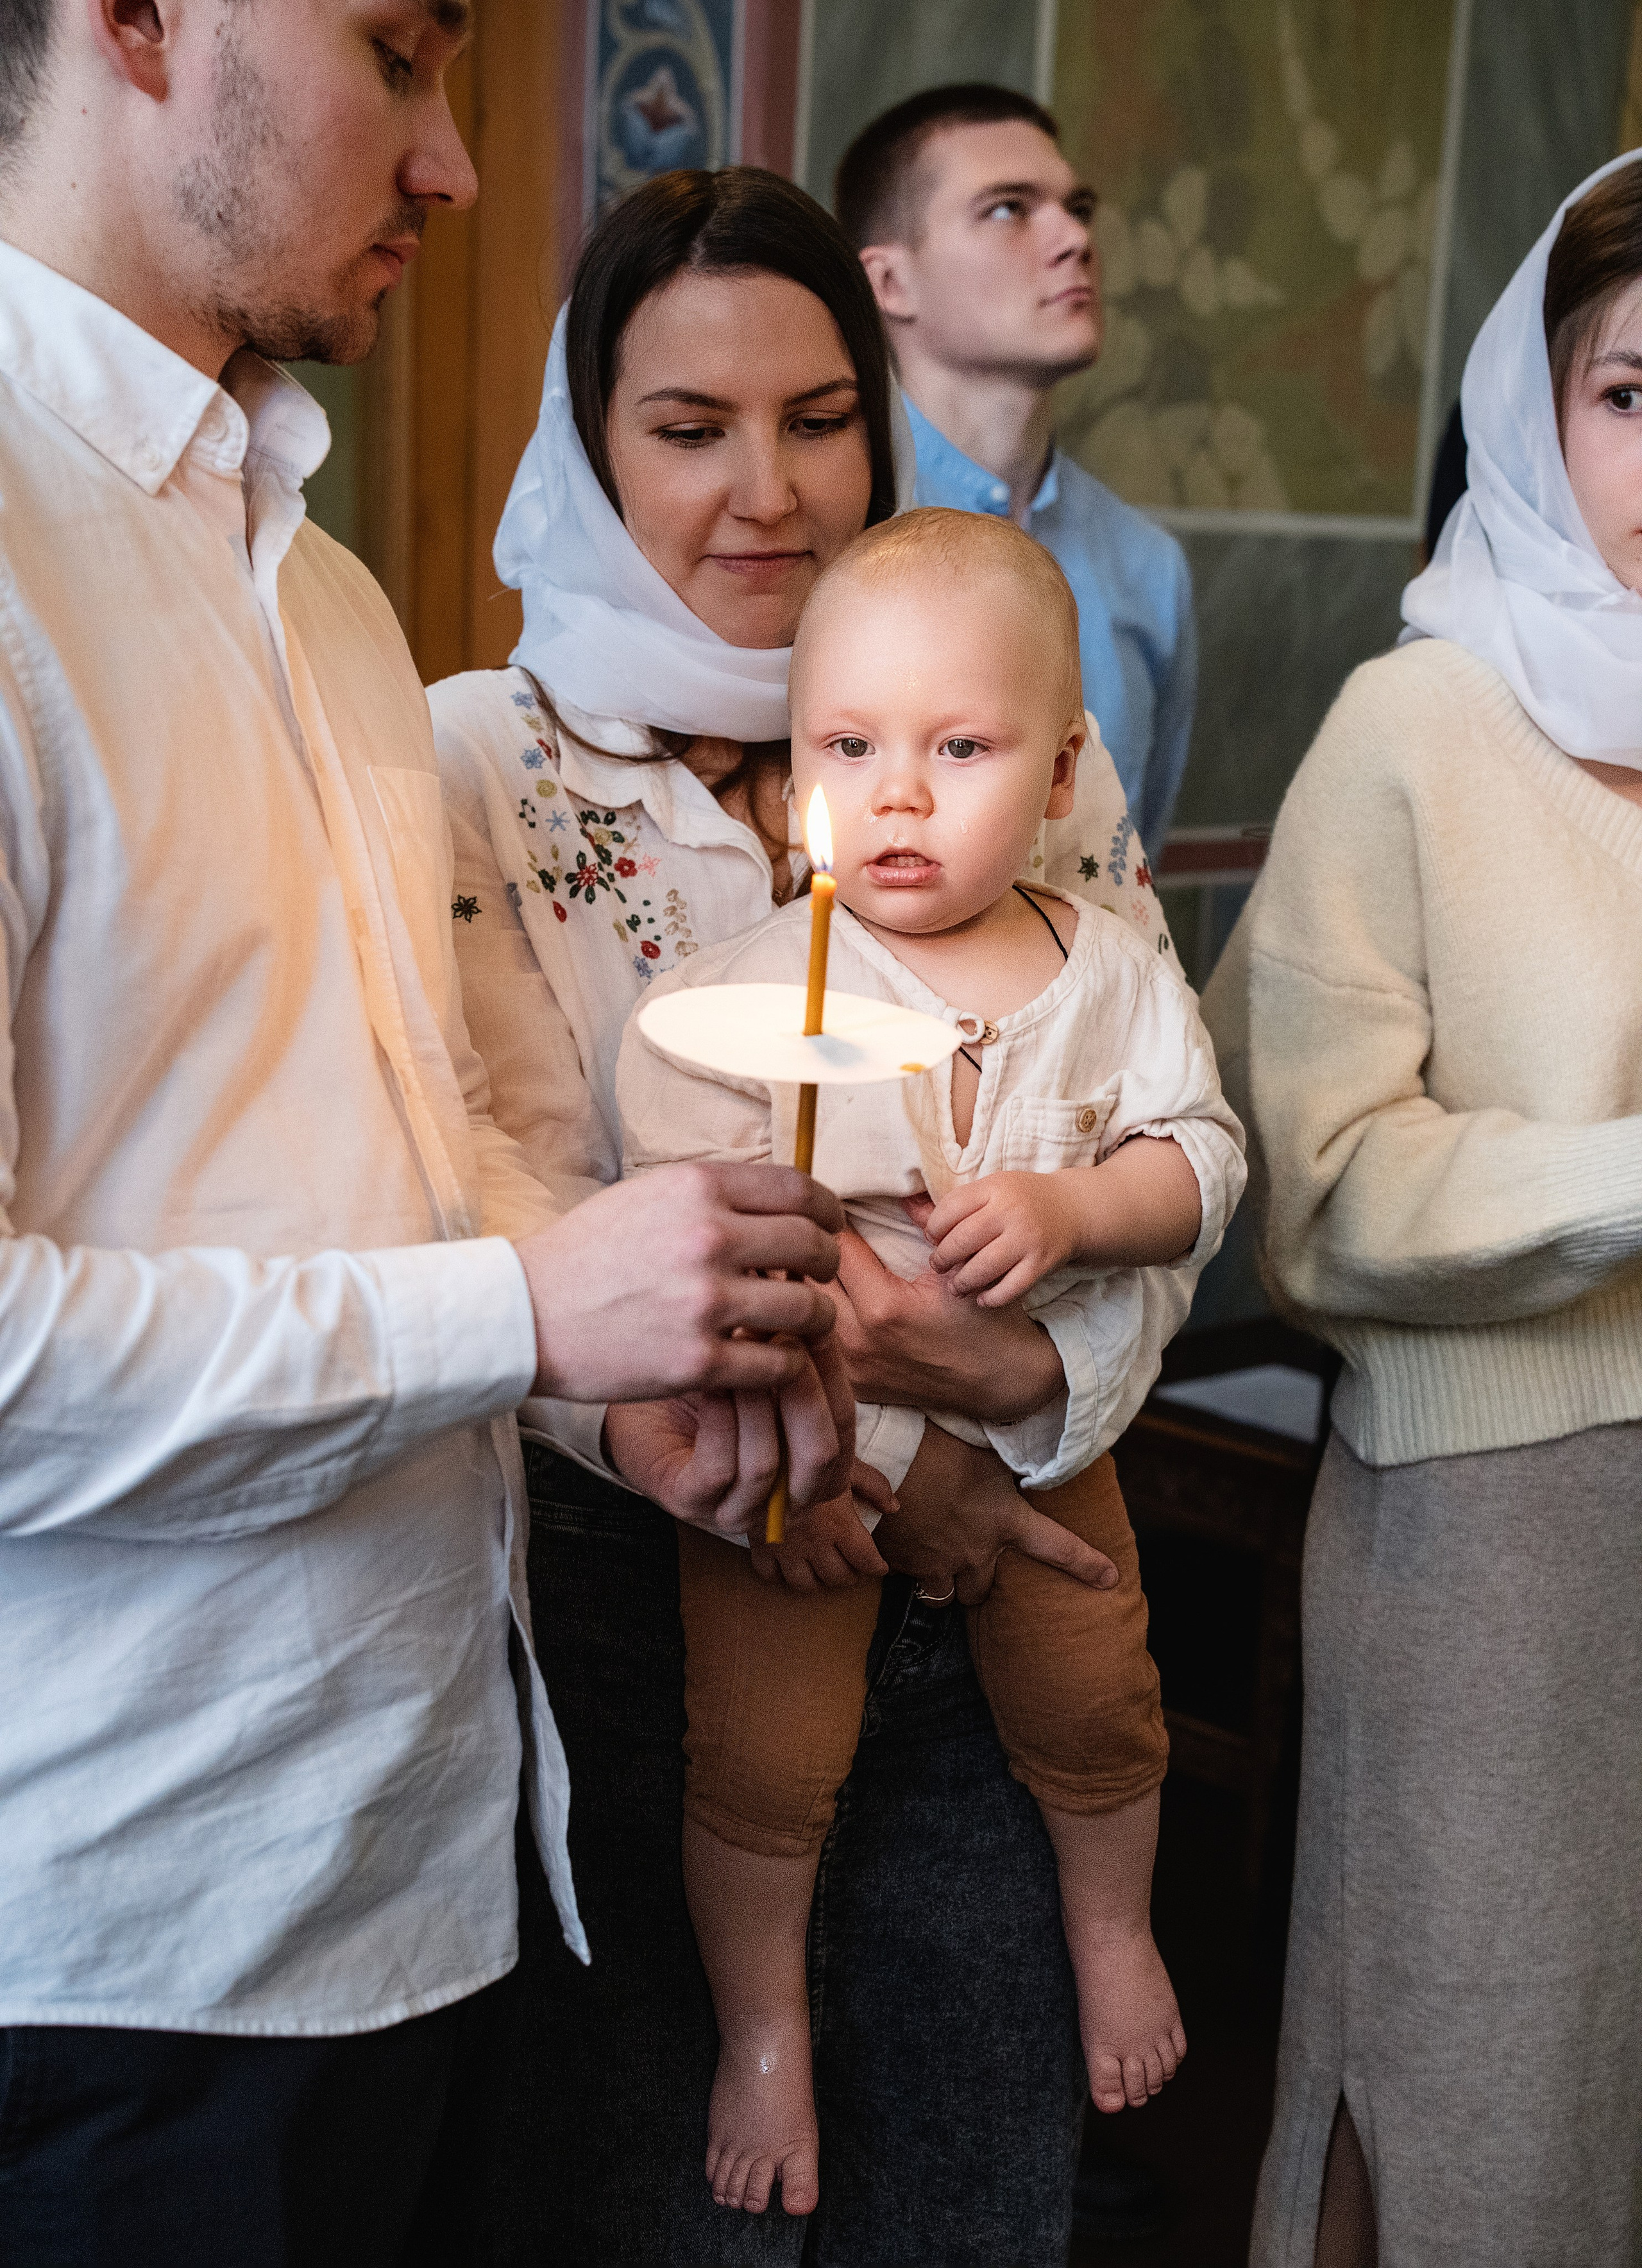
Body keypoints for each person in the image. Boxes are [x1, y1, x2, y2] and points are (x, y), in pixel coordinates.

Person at [0, 10, 856, 2263]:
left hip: (439, 1854)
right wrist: (523, 1300)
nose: (459, 165)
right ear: (143, 22)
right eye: (397, 52)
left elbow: (396, 1129)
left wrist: (609, 1364)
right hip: (114, 1945)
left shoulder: (331, 588)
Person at [433, 166, 1181, 2266]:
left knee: (969, 2190)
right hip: (637, 1586)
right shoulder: (482, 761)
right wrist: (867, 1451)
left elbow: (1136, 1121)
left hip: (1002, 1562)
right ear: (590, 450)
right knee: (659, 2206)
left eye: (819, 416)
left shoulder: (1019, 726)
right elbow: (495, 1181)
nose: (767, 487)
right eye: (686, 429)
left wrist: (1020, 1397)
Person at [618, 507, 1248, 2219]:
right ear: (792, 770)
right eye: (849, 747)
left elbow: (1206, 1160)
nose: (897, 793)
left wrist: (1077, 1201)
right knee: (760, 1757)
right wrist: (808, 1431)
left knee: (1104, 1692)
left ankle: (1112, 1930)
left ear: (1058, 774)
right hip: (795, 1462)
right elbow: (667, 1236)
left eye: (958, 746)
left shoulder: (1105, 973)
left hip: (1043, 1444)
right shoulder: (738, 991)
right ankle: (765, 2030)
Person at [1202, 151, 1642, 2267]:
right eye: (1637, 394)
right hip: (1503, 1534)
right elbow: (1331, 1181)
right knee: (1481, 2097)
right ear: (1531, 413)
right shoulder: (1419, 725)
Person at [834, 83, 1197, 856]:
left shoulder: (1147, 570)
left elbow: (1132, 866)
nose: (1073, 237)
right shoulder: (830, 528)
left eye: (1078, 207)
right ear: (890, 282)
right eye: (1007, 208)